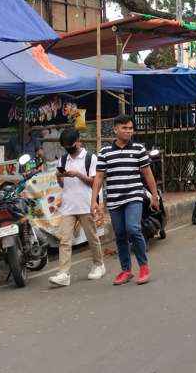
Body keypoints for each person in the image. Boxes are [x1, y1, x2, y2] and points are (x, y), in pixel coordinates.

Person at [91, 115, 159, 285]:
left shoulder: (138, 149)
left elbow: (148, 174)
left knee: (133, 228)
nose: (128, 131)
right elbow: (99, 177)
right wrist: (94, 201)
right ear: (115, 129)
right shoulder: (105, 152)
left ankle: (143, 267)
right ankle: (126, 270)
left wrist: (154, 195)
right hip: (114, 200)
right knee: (120, 234)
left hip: (134, 196)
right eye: (124, 128)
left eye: (130, 128)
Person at [49, 128, 106, 287]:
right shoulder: (63, 160)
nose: (68, 149)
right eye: (65, 147)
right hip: (68, 206)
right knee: (64, 240)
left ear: (78, 141)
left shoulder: (90, 158)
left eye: (70, 145)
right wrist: (60, 176)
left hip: (86, 205)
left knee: (92, 237)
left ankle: (99, 264)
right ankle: (63, 273)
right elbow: (62, 185)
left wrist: (78, 175)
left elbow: (95, 182)